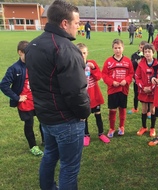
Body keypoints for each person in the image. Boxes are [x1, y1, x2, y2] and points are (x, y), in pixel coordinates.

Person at [25, 1, 91, 189]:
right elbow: (76, 92)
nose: (78, 26)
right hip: (66, 120)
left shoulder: (33, 45)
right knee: (69, 167)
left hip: (46, 117)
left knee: (49, 156)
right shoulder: (66, 49)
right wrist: (84, 113)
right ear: (64, 23)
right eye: (76, 23)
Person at [0, 40, 44, 156]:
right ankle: (33, 146)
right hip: (25, 103)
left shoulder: (34, 65)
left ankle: (45, 141)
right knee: (29, 124)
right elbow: (3, 85)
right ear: (20, 52)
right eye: (27, 53)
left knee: (44, 121)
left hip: (38, 100)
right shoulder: (14, 69)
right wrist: (17, 97)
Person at [76, 43, 110, 146]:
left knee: (98, 114)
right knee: (84, 117)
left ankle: (101, 133)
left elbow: (98, 77)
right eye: (80, 53)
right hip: (83, 98)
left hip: (94, 95)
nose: (82, 55)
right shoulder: (75, 65)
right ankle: (86, 135)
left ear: (87, 53)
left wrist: (94, 68)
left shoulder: (92, 63)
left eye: (84, 53)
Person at [102, 39, 134, 138]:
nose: (117, 50)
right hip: (112, 90)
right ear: (113, 49)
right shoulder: (108, 61)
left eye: (119, 48)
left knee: (122, 108)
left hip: (123, 90)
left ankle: (121, 127)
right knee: (112, 109)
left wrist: (127, 80)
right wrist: (112, 82)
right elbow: (104, 74)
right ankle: (112, 128)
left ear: (123, 48)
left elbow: (131, 73)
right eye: (115, 48)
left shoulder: (127, 61)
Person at [135, 43, 158, 137]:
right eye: (145, 52)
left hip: (153, 91)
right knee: (144, 109)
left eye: (149, 51)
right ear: (143, 53)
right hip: (143, 90)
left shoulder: (157, 64)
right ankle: (144, 127)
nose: (147, 53)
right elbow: (137, 77)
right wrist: (143, 87)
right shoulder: (141, 64)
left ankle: (152, 128)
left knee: (153, 110)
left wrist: (151, 88)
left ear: (153, 52)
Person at [128, 41, 147, 114]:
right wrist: (137, 62)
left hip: (145, 78)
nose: (142, 49)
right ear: (139, 47)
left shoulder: (148, 55)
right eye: (141, 47)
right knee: (136, 93)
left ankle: (148, 111)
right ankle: (135, 108)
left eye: (144, 48)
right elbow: (131, 66)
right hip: (136, 78)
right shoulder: (134, 55)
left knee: (146, 94)